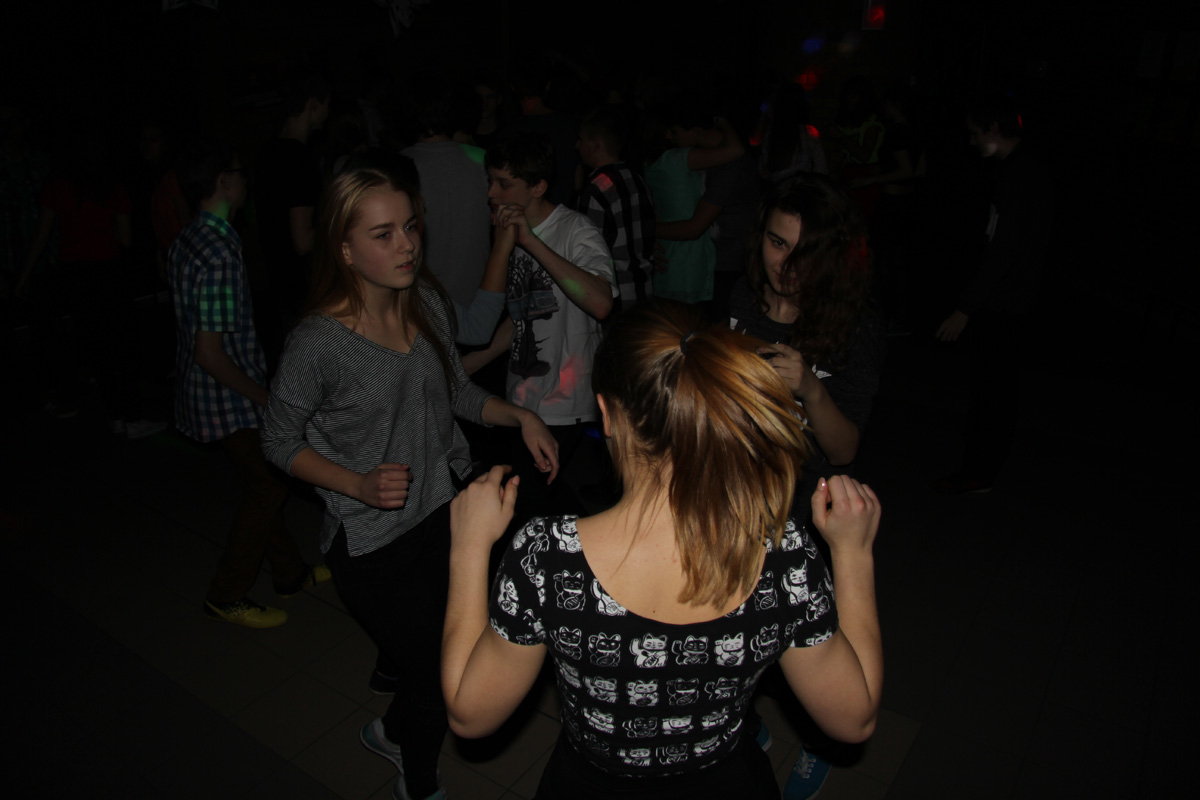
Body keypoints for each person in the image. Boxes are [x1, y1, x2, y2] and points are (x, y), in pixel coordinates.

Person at [443, 301, 883, 799]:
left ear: (607, 413)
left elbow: (469, 715)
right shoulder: (785, 560)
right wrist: (853, 553)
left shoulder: (544, 559)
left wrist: (469, 547)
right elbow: (853, 720)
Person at [260, 164, 559, 800]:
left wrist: (521, 415)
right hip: (370, 542)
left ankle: (391, 734)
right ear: (344, 249)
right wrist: (356, 484)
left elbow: (455, 392)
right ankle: (418, 784)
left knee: (443, 655)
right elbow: (277, 440)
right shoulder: (318, 343)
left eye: (411, 228)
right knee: (436, 675)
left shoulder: (423, 300)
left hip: (438, 514)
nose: (407, 246)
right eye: (384, 234)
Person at [728, 176, 884, 799]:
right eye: (776, 242)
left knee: (809, 644)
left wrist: (810, 388)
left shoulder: (853, 326)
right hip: (739, 504)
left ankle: (819, 745)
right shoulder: (740, 300)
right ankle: (749, 725)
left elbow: (845, 450)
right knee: (737, 635)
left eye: (805, 252)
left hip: (806, 514)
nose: (786, 266)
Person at [168, 138, 324, 629]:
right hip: (228, 398)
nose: (245, 181)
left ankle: (289, 572)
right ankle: (227, 592)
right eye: (239, 172)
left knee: (264, 485)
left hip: (203, 392)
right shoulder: (219, 250)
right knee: (268, 487)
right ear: (223, 181)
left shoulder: (188, 237)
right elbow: (210, 352)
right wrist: (266, 397)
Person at [462, 132, 616, 519]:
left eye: (504, 183)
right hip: (522, 396)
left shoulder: (576, 231)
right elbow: (521, 318)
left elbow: (601, 303)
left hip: (564, 401)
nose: (491, 193)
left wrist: (531, 242)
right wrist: (464, 367)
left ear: (538, 187)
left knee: (527, 501)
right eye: (490, 181)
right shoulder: (506, 233)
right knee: (538, 500)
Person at [933, 93, 1052, 494]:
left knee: (995, 390)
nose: (971, 142)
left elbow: (1005, 249)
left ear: (993, 129)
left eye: (975, 133)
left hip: (1007, 303)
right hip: (1007, 299)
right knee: (992, 387)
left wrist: (966, 308)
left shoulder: (1022, 177)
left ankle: (979, 472)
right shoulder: (1018, 171)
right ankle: (979, 463)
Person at [576, 105, 657, 311]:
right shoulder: (637, 179)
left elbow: (589, 252)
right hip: (644, 290)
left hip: (614, 297)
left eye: (581, 140)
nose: (577, 146)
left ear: (595, 145)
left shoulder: (597, 189)